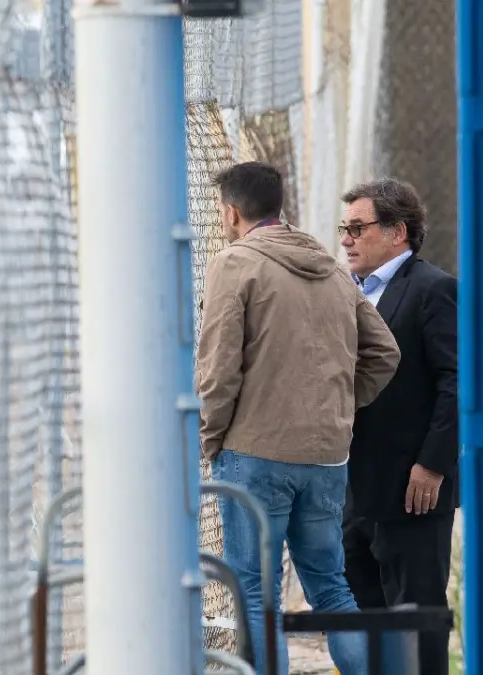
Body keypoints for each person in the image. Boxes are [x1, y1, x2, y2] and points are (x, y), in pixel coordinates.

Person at [196, 162, 401, 675]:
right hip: (326, 456)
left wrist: (208, 437)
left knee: (254, 590)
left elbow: (219, 368)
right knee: (331, 587)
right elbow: (385, 352)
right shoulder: (331, 268)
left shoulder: (235, 264)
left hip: (254, 452)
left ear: (232, 212)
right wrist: (337, 407)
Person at [338, 178, 459, 675]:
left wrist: (432, 465)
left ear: (397, 232)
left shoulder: (432, 289)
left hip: (414, 492)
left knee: (416, 619)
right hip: (354, 488)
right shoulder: (345, 293)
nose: (346, 239)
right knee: (366, 617)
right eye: (343, 228)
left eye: (357, 228)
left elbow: (457, 381)